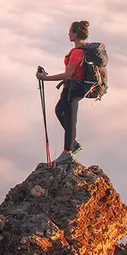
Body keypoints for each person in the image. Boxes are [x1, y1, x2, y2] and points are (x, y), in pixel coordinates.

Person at [36, 20, 91, 166]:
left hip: (72, 90)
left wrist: (45, 78)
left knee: (70, 120)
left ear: (75, 34)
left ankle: (68, 152)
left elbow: (67, 75)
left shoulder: (77, 53)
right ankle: (72, 142)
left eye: (70, 31)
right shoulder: (84, 50)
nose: (68, 34)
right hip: (75, 88)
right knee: (59, 110)